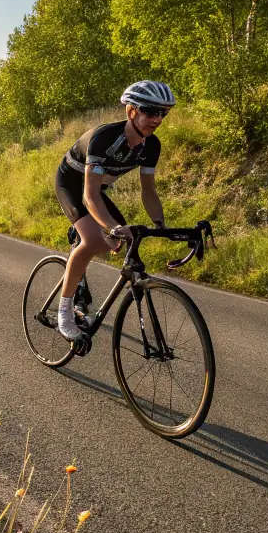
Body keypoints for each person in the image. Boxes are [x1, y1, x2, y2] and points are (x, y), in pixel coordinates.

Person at [54, 80, 175, 341]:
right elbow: (89, 195)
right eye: (151, 111)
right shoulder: (105, 138)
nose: (157, 119)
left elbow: (149, 191)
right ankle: (63, 311)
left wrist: (161, 225)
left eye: (163, 113)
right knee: (96, 239)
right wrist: (110, 226)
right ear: (131, 111)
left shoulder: (151, 146)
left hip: (97, 190)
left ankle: (78, 251)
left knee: (115, 243)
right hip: (73, 185)